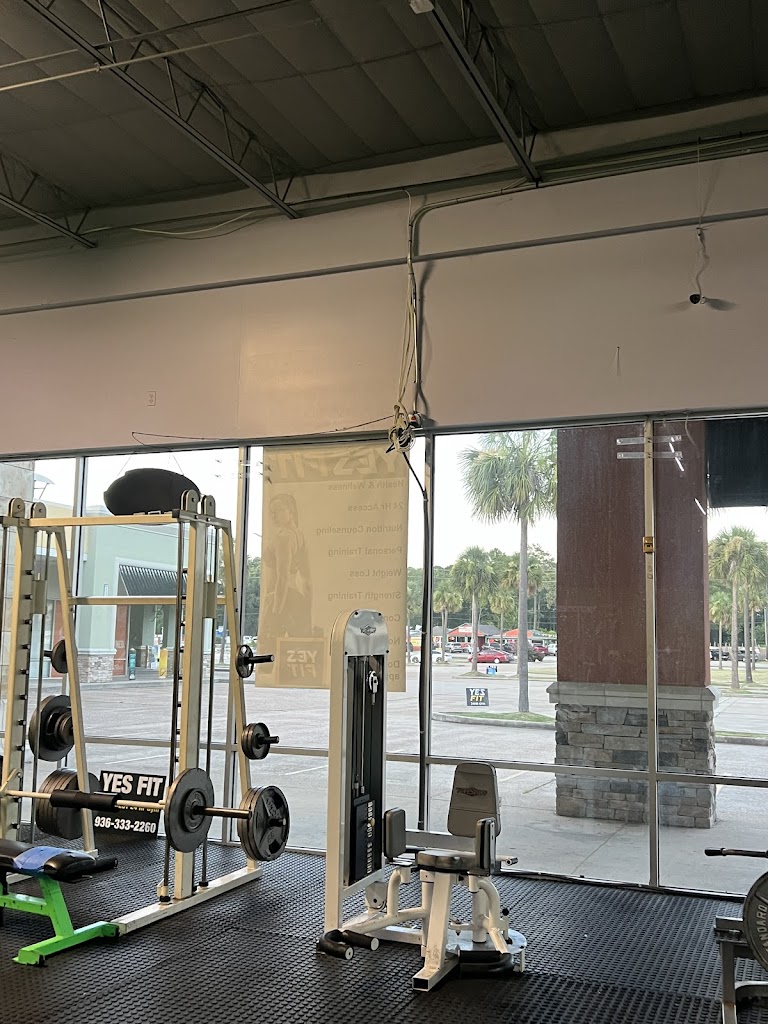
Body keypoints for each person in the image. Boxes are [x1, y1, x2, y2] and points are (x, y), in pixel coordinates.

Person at [261, 492, 313, 639]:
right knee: (295, 647)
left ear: (291, 511)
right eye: (272, 512)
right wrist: (307, 610)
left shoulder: (283, 538)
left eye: (278, 510)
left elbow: (282, 578)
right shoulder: (299, 536)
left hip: (278, 600)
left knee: (268, 647)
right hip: (297, 599)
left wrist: (275, 613)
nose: (273, 515)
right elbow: (307, 580)